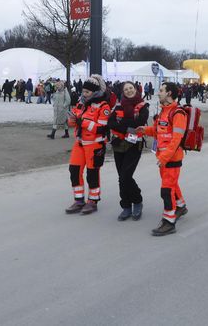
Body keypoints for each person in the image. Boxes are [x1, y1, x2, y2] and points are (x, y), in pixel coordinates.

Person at [138, 82, 188, 236]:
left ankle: (169, 222)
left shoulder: (178, 113)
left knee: (166, 190)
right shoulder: (163, 112)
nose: (158, 93)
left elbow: (176, 139)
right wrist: (145, 130)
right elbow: (158, 131)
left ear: (169, 93)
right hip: (163, 158)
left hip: (171, 159)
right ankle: (180, 206)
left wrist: (165, 157)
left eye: (161, 90)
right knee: (171, 184)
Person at [64, 75, 110, 215]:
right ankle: (79, 200)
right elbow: (75, 121)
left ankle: (93, 201)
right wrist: (71, 121)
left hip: (95, 145)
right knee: (74, 170)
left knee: (92, 174)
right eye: (83, 91)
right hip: (80, 143)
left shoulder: (103, 106)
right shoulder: (81, 103)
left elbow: (101, 128)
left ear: (95, 92)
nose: (84, 94)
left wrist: (82, 122)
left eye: (87, 92)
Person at [108, 81, 149, 221]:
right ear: (123, 92)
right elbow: (110, 122)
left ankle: (137, 201)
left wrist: (122, 124)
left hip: (134, 145)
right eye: (126, 89)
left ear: (135, 89)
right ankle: (126, 206)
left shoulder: (143, 106)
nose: (129, 91)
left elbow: (140, 123)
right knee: (122, 177)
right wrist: (127, 125)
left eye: (131, 88)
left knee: (126, 175)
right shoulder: (119, 105)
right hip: (119, 144)